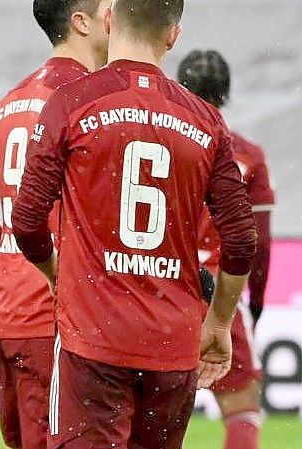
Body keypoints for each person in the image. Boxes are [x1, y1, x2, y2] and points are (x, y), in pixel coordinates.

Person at [11, 1, 258, 448]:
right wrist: (219, 323)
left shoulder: (72, 103)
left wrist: (56, 277)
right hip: (173, 344)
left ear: (109, 21)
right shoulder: (205, 121)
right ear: (172, 37)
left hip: (94, 341)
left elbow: (26, 221)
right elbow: (241, 242)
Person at [0, 1, 110, 448]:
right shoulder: (93, 99)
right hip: (59, 323)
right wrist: (51, 271)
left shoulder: (11, 101)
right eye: (109, 9)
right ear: (81, 22)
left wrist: (16, 262)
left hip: (6, 318)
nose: (118, 17)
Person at [179, 49, 274, 449]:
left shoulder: (162, 142)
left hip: (161, 288)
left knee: (148, 411)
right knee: (242, 406)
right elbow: (258, 241)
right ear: (227, 93)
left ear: (179, 89)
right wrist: (255, 301)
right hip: (219, 292)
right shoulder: (247, 156)